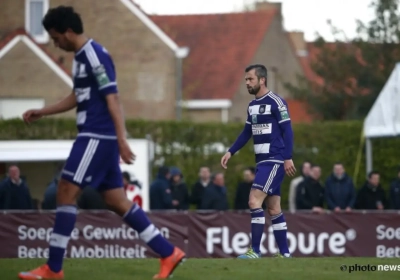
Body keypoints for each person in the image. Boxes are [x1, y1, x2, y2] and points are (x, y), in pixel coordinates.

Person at [18, 6, 185, 280]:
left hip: (96, 136)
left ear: (68, 32)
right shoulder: (79, 58)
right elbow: (78, 96)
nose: (54, 42)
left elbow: (113, 98)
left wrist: (121, 138)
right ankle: (168, 253)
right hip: (99, 137)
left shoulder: (95, 55)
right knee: (116, 200)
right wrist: (43, 111)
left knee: (65, 190)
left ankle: (53, 268)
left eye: (55, 36)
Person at [220, 64, 296, 259]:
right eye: (246, 80)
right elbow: (247, 132)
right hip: (262, 162)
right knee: (273, 208)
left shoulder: (277, 102)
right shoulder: (252, 106)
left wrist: (287, 157)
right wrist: (231, 151)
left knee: (254, 200)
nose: (247, 83)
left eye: (250, 79)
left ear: (262, 80)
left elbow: (288, 130)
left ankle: (255, 251)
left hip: (274, 160)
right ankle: (285, 254)